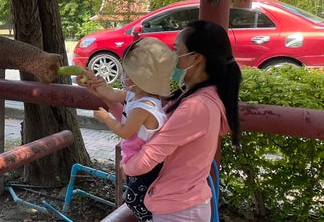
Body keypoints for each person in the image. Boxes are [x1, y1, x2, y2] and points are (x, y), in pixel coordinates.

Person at [80, 20, 242, 221]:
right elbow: (139, 122)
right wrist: (104, 95)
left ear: (196, 58)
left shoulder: (197, 107)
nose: (171, 58)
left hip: (180, 211)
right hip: (176, 204)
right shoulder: (191, 94)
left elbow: (148, 158)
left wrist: (127, 166)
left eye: (176, 50)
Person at [88, 37, 176, 222]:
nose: (123, 76)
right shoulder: (134, 94)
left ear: (140, 79)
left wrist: (106, 119)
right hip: (135, 158)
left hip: (146, 164)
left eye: (127, 73)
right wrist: (95, 84)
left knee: (135, 200)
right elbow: (110, 94)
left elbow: (125, 132)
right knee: (134, 197)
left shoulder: (143, 108)